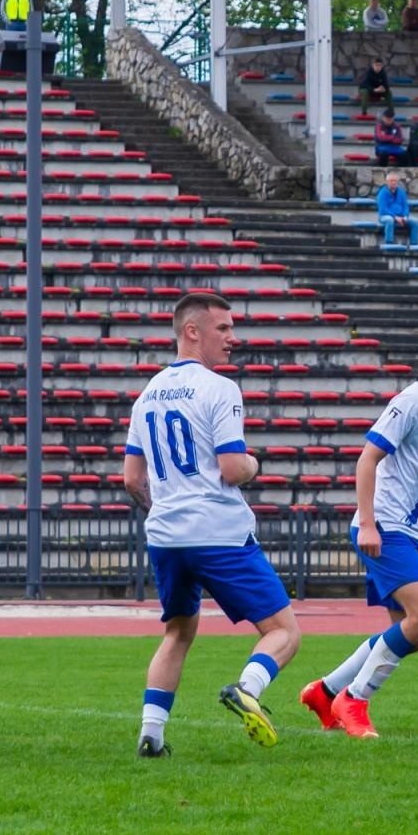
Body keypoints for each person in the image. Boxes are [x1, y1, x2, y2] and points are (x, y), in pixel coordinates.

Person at [122, 292, 302, 758]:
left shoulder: (146, 396)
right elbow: (232, 468)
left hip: (165, 535)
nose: (232, 338)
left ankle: (151, 736)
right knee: (283, 632)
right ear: (192, 331)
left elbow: (132, 479)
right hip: (218, 532)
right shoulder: (219, 388)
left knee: (178, 633)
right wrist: (255, 464)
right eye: (223, 328)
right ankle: (247, 689)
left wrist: (164, 512)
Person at [300, 316, 418, 738]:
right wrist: (367, 524)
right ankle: (353, 700)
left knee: (410, 631)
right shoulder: (417, 399)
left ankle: (325, 690)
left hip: (410, 526)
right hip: (384, 525)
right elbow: (367, 458)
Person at [375, 171, 418, 247]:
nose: (393, 182)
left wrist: (405, 216)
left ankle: (414, 245)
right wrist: (395, 217)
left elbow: (405, 206)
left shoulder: (401, 192)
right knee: (389, 220)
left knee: (415, 222)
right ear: (387, 182)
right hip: (385, 216)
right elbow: (383, 209)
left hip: (401, 216)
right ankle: (389, 243)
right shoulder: (382, 193)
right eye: (391, 181)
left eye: (395, 181)